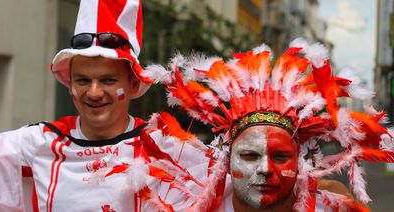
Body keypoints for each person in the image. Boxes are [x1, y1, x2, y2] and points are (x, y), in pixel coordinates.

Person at [0, 0, 207, 212]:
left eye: (107, 81)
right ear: (70, 84)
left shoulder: (168, 149)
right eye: (83, 81)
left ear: (133, 83)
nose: (94, 93)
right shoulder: (37, 143)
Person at [143, 38, 394, 211]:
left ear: (299, 162)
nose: (265, 168)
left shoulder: (332, 206)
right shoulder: (185, 202)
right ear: (227, 162)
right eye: (249, 155)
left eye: (281, 155)